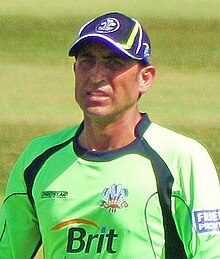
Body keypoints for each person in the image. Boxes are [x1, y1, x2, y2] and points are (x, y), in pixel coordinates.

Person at [0, 12, 219, 259]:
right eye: (87, 61)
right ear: (75, 70)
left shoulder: (181, 159)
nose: (96, 76)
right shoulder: (37, 158)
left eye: (113, 62)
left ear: (145, 78)